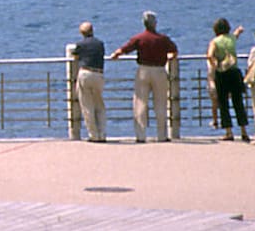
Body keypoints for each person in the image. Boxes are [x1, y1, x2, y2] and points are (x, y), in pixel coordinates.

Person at [111, 11, 177, 142]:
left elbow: (125, 48)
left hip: (143, 71)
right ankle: (162, 135)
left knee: (140, 103)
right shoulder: (163, 39)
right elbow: (174, 51)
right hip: (159, 71)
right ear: (155, 24)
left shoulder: (139, 38)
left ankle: (140, 135)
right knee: (161, 103)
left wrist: (116, 54)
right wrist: (170, 57)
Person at [208, 18, 251, 142]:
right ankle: (244, 131)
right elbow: (236, 35)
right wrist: (239, 30)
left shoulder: (215, 41)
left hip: (222, 73)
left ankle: (229, 132)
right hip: (235, 72)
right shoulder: (231, 38)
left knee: (223, 103)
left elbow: (209, 55)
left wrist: (214, 64)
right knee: (238, 102)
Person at [74, 21, 107, 142]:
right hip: (98, 74)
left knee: (87, 106)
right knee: (99, 105)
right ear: (92, 30)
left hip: (85, 73)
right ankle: (103, 134)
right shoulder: (100, 44)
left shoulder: (80, 44)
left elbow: (76, 56)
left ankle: (93, 135)